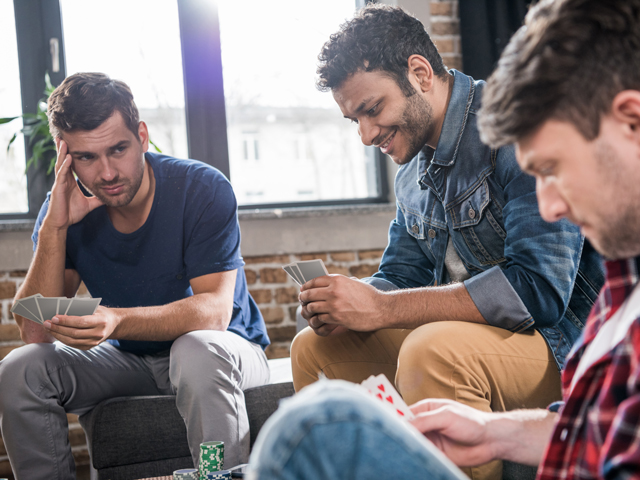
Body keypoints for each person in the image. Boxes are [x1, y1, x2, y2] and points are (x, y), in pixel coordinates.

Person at [248, 0, 640, 479]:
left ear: (419, 73)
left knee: (433, 348)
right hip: (484, 345)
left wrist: (385, 309)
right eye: (355, 121)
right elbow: (401, 277)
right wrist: (352, 301)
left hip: (551, 337)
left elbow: (539, 290)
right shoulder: (411, 170)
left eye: (373, 110)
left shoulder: (511, 131)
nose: (368, 135)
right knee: (315, 347)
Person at [0, 73, 270, 479]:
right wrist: (55, 227)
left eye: (118, 149)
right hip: (130, 358)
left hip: (224, 351)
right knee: (20, 368)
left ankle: (216, 475)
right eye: (86, 158)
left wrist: (118, 319)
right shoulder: (64, 207)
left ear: (142, 136)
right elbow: (35, 332)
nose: (107, 173)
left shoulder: (201, 187)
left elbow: (215, 312)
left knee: (195, 352)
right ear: (65, 157)